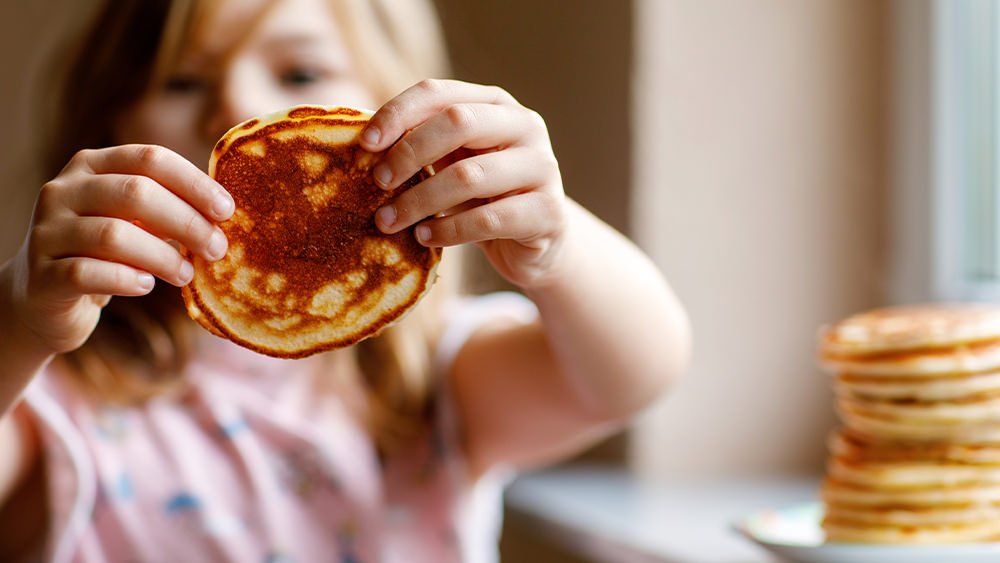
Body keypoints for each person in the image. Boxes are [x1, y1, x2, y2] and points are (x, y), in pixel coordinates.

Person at [0, 0, 691, 561]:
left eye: (300, 74)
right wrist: (17, 320)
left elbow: (635, 374)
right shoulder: (49, 400)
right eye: (182, 80)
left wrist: (557, 246)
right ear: (105, 122)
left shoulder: (436, 384)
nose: (238, 105)